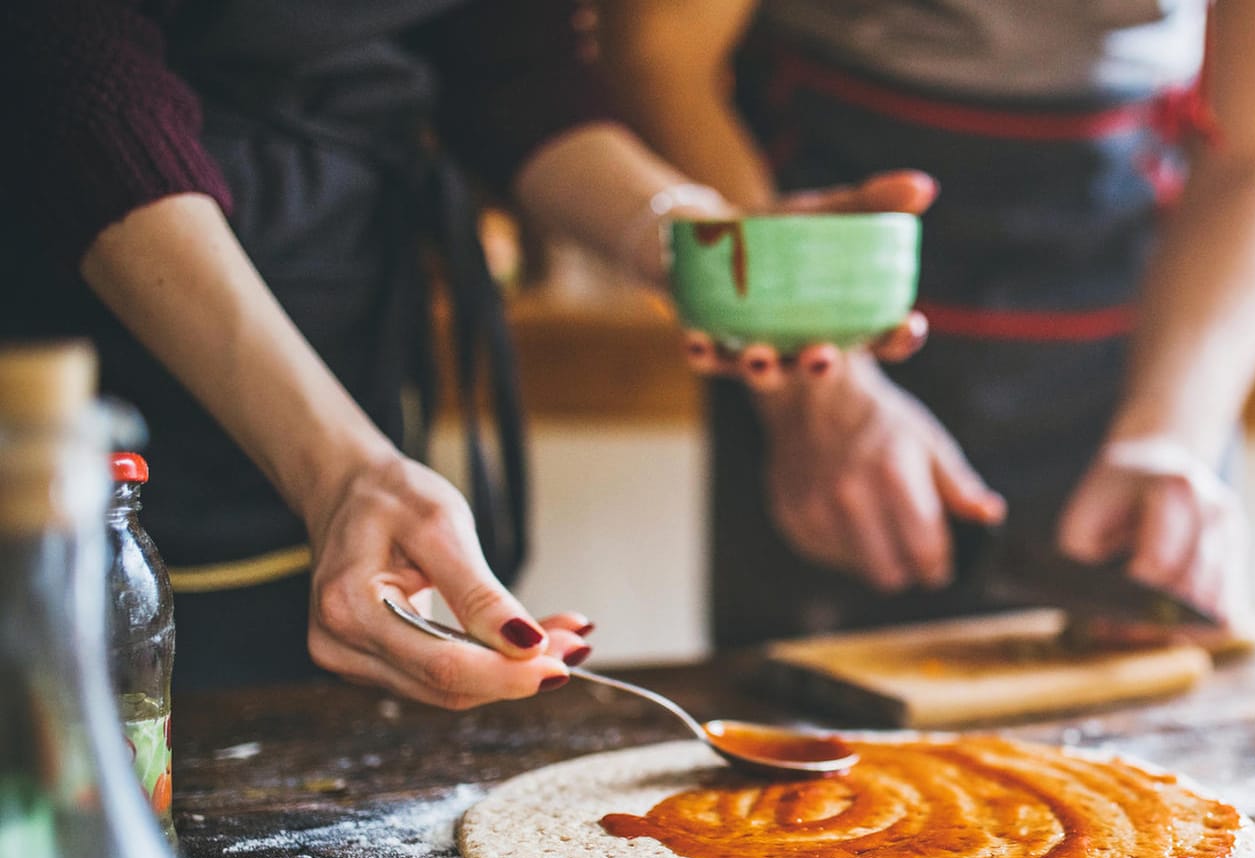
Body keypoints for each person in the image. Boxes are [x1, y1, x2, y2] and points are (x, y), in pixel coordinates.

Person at [0, 1, 916, 705]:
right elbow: (69, 77)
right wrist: (341, 466)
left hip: (341, 325)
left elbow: (507, 62)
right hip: (63, 381)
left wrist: (712, 251)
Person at [601, 0, 1255, 648]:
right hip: (811, 262)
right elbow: (658, 58)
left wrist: (1172, 436)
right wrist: (807, 373)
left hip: (1141, 329)